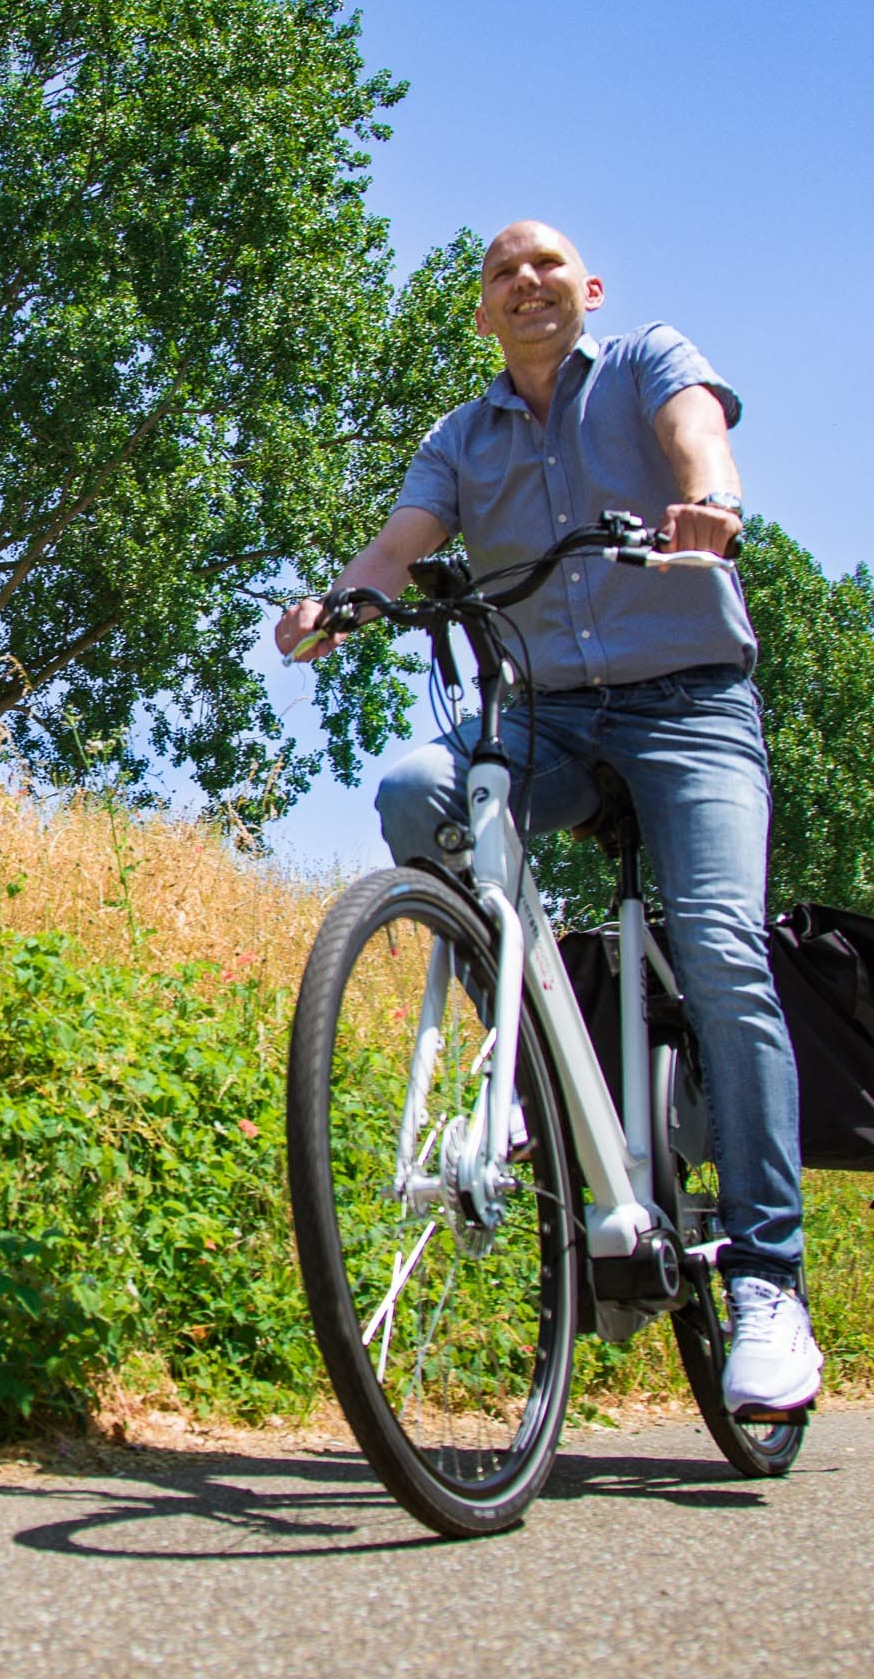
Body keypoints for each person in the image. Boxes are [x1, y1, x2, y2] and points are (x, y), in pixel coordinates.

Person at [272, 218, 821, 1415]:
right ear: (482, 311)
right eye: (502, 273)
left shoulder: (643, 363)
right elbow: (399, 547)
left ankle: (769, 1276)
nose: (527, 283)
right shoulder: (460, 438)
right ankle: (524, 1082)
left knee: (725, 948)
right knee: (420, 789)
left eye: (548, 267)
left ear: (589, 289)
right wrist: (338, 605)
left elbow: (698, 436)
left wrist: (710, 505)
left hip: (691, 707)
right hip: (551, 717)